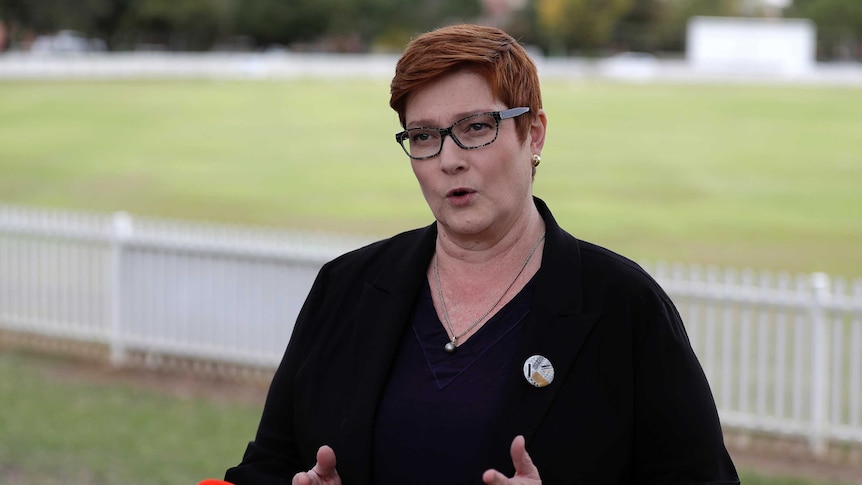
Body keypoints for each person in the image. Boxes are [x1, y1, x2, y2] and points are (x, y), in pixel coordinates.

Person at [224, 24, 739, 485]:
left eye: (475, 128)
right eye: (424, 136)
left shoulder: (624, 308)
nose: (449, 160)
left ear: (532, 134)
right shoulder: (346, 286)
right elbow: (267, 465)